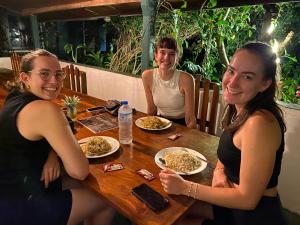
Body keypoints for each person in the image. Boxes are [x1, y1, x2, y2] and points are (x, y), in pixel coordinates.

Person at [159, 42, 287, 225]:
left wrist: (186, 187)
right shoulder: (240, 109)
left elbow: (247, 200)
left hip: (252, 216)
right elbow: (226, 154)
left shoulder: (259, 123)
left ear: (265, 84)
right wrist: (219, 172)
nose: (232, 82)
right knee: (170, 211)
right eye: (231, 71)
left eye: (248, 77)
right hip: (230, 204)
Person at [0, 49, 115, 225]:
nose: (54, 81)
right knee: (108, 200)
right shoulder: (45, 110)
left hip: (14, 189)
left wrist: (52, 154)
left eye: (58, 74)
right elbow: (80, 171)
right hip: (22, 205)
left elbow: (66, 123)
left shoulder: (14, 97)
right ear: (25, 77)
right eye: (44, 74)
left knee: (80, 186)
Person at [142, 37, 196, 128]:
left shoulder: (187, 79)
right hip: (160, 124)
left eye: (171, 54)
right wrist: (148, 129)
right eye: (162, 52)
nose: (166, 58)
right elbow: (151, 110)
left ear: (177, 58)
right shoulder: (147, 76)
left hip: (181, 126)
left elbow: (190, 120)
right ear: (155, 55)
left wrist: (187, 139)